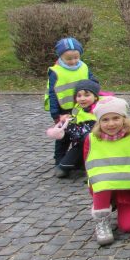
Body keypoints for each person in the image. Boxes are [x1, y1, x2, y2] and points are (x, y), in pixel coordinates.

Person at [84, 97, 130, 246]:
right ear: (99, 122)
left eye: (116, 118)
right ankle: (102, 220)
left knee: (128, 227)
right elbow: (89, 165)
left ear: (124, 118)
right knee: (103, 187)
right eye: (105, 120)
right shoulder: (92, 139)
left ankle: (120, 205)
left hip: (128, 189)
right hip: (103, 189)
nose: (111, 123)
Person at [46, 37, 98, 171]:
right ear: (61, 57)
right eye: (69, 58)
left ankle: (79, 160)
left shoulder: (84, 67)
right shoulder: (55, 72)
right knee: (63, 137)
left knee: (81, 133)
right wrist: (56, 115)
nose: (73, 61)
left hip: (82, 108)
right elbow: (53, 94)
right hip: (65, 109)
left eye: (76, 57)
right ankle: (59, 161)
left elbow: (93, 81)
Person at [50, 79, 101, 178]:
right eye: (79, 96)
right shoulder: (77, 108)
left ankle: (83, 164)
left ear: (95, 97)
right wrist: (67, 120)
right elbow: (74, 120)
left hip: (92, 142)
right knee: (62, 134)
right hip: (78, 139)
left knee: (85, 140)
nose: (82, 98)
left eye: (87, 95)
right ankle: (60, 161)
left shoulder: (99, 109)